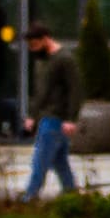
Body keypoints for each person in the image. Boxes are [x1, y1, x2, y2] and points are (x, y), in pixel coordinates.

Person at [21, 36, 76, 198]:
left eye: (34, 44)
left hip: (54, 119)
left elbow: (75, 90)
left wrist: (71, 118)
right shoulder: (45, 62)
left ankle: (30, 196)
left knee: (40, 160)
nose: (32, 49)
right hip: (51, 118)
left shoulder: (63, 60)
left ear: (44, 39)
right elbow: (42, 94)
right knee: (59, 162)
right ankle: (71, 194)